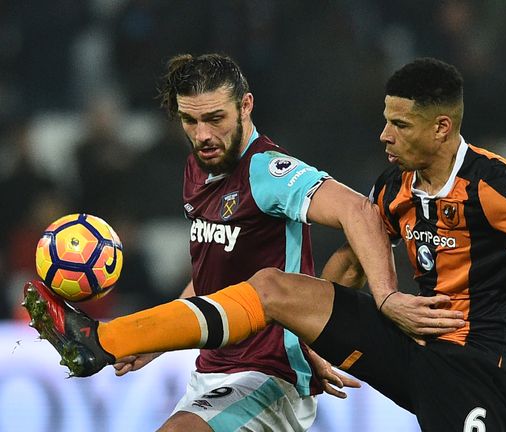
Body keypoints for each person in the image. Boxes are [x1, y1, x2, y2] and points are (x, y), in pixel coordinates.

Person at [24, 57, 506, 432]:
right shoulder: (395, 183)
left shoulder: (495, 183)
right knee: (280, 290)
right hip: (417, 340)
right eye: (383, 120)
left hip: (487, 368)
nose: (383, 135)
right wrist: (317, 333)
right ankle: (107, 340)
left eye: (398, 125)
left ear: (440, 129)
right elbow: (344, 260)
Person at [37, 52, 419, 432]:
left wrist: (386, 296)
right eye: (191, 120)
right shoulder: (199, 167)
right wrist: (158, 341)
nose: (203, 135)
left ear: (245, 106)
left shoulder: (267, 170)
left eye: (215, 118)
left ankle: (104, 339)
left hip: (268, 374)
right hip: (211, 371)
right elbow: (210, 279)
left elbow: (360, 211)